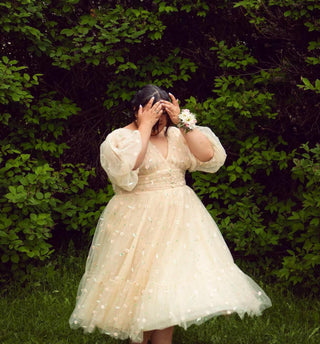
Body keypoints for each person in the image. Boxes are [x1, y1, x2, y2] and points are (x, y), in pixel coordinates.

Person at [69, 84, 272, 344]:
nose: (159, 125)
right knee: (141, 287)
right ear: (136, 111)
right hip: (139, 219)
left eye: (163, 119)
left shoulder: (176, 135)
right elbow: (129, 166)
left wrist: (182, 123)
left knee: (170, 284)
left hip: (181, 218)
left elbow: (208, 156)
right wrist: (145, 127)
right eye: (155, 118)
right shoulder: (119, 139)